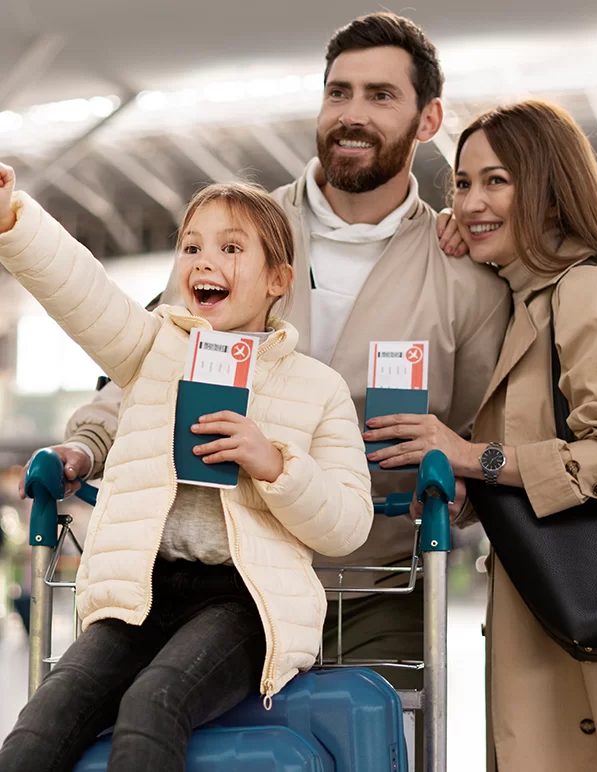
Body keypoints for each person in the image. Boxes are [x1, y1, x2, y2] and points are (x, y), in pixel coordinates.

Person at [24, 11, 510, 700]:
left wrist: (463, 486)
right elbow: (154, 361)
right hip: (224, 579)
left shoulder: (463, 274)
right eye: (337, 91)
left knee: (373, 737)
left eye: (380, 96)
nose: (351, 113)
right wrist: (88, 443)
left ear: (428, 119)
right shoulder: (234, 236)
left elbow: (486, 434)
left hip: (377, 586)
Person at [363, 99, 597, 772]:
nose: (468, 201)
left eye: (497, 180)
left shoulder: (586, 292)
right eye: (461, 183)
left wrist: (465, 452)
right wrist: (462, 489)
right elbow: (529, 456)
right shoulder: (527, 301)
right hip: (556, 612)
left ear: (550, 191)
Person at [0, 164, 373, 771]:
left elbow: (349, 524)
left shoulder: (318, 388)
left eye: (231, 248)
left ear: (279, 278)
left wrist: (275, 464)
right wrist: (14, 220)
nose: (206, 260)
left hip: (241, 602)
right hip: (142, 591)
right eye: (192, 246)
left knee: (155, 702)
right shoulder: (153, 350)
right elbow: (82, 293)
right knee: (42, 722)